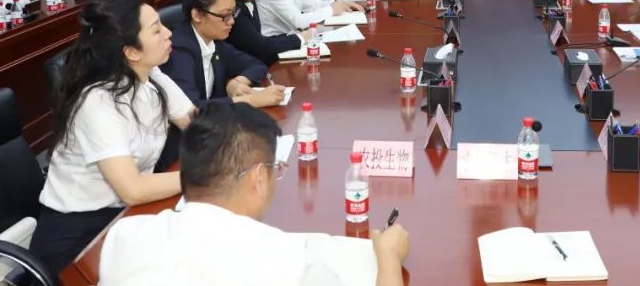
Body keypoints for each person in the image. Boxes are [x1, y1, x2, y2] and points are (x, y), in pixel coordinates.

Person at [98, 103, 410, 285]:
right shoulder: (288, 262)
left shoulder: (124, 236)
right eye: (276, 169)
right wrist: (388, 257)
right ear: (259, 176)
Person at [29, 0, 195, 274]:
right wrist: (206, 176)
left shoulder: (150, 74)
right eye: (156, 30)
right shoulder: (97, 101)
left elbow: (195, 124)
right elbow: (133, 189)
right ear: (131, 52)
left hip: (125, 218)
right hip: (78, 242)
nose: (169, 33)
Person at [159, 0, 282, 110]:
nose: (232, 21)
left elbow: (257, 64)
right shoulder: (178, 51)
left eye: (233, 13)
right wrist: (250, 100)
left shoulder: (214, 42)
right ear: (197, 15)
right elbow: (191, 109)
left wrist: (235, 83)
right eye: (225, 15)